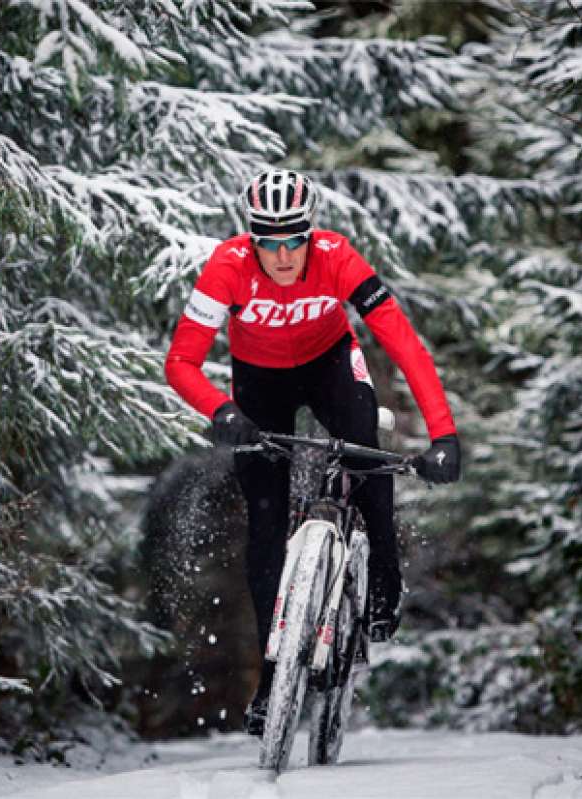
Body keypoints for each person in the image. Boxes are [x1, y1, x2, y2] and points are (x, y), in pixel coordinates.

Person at [163, 169, 461, 735]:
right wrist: (220, 410)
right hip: (259, 382)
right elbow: (180, 363)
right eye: (268, 242)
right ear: (252, 240)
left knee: (365, 457)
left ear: (310, 233)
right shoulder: (227, 265)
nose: (281, 256)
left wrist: (443, 435)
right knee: (265, 523)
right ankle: (273, 677)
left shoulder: (338, 257)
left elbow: (404, 343)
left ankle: (384, 584)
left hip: (330, 364)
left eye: (292, 240)